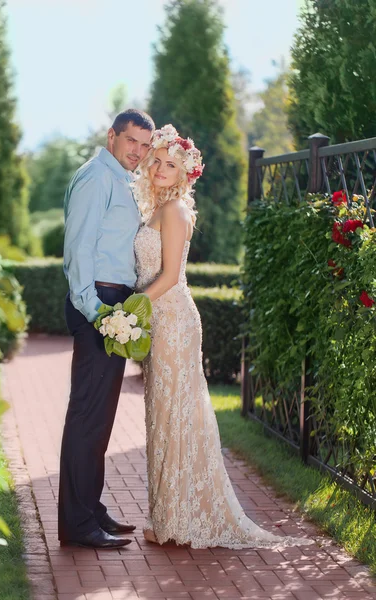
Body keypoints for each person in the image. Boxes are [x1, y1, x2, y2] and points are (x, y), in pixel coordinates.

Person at [133, 124, 313, 549]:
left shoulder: (175, 210)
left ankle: (181, 519)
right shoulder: (157, 207)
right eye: (156, 160)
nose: (160, 168)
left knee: (177, 415)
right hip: (157, 322)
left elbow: (172, 276)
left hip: (173, 322)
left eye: (170, 164)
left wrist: (130, 308)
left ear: (184, 173)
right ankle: (169, 516)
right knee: (163, 416)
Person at [58, 109, 155, 549]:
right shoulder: (97, 177)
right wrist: (96, 309)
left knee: (100, 418)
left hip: (112, 303)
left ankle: (90, 508)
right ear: (112, 136)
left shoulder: (119, 178)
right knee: (87, 417)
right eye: (132, 141)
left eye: (145, 145)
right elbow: (79, 246)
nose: (138, 151)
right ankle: (77, 525)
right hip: (98, 302)